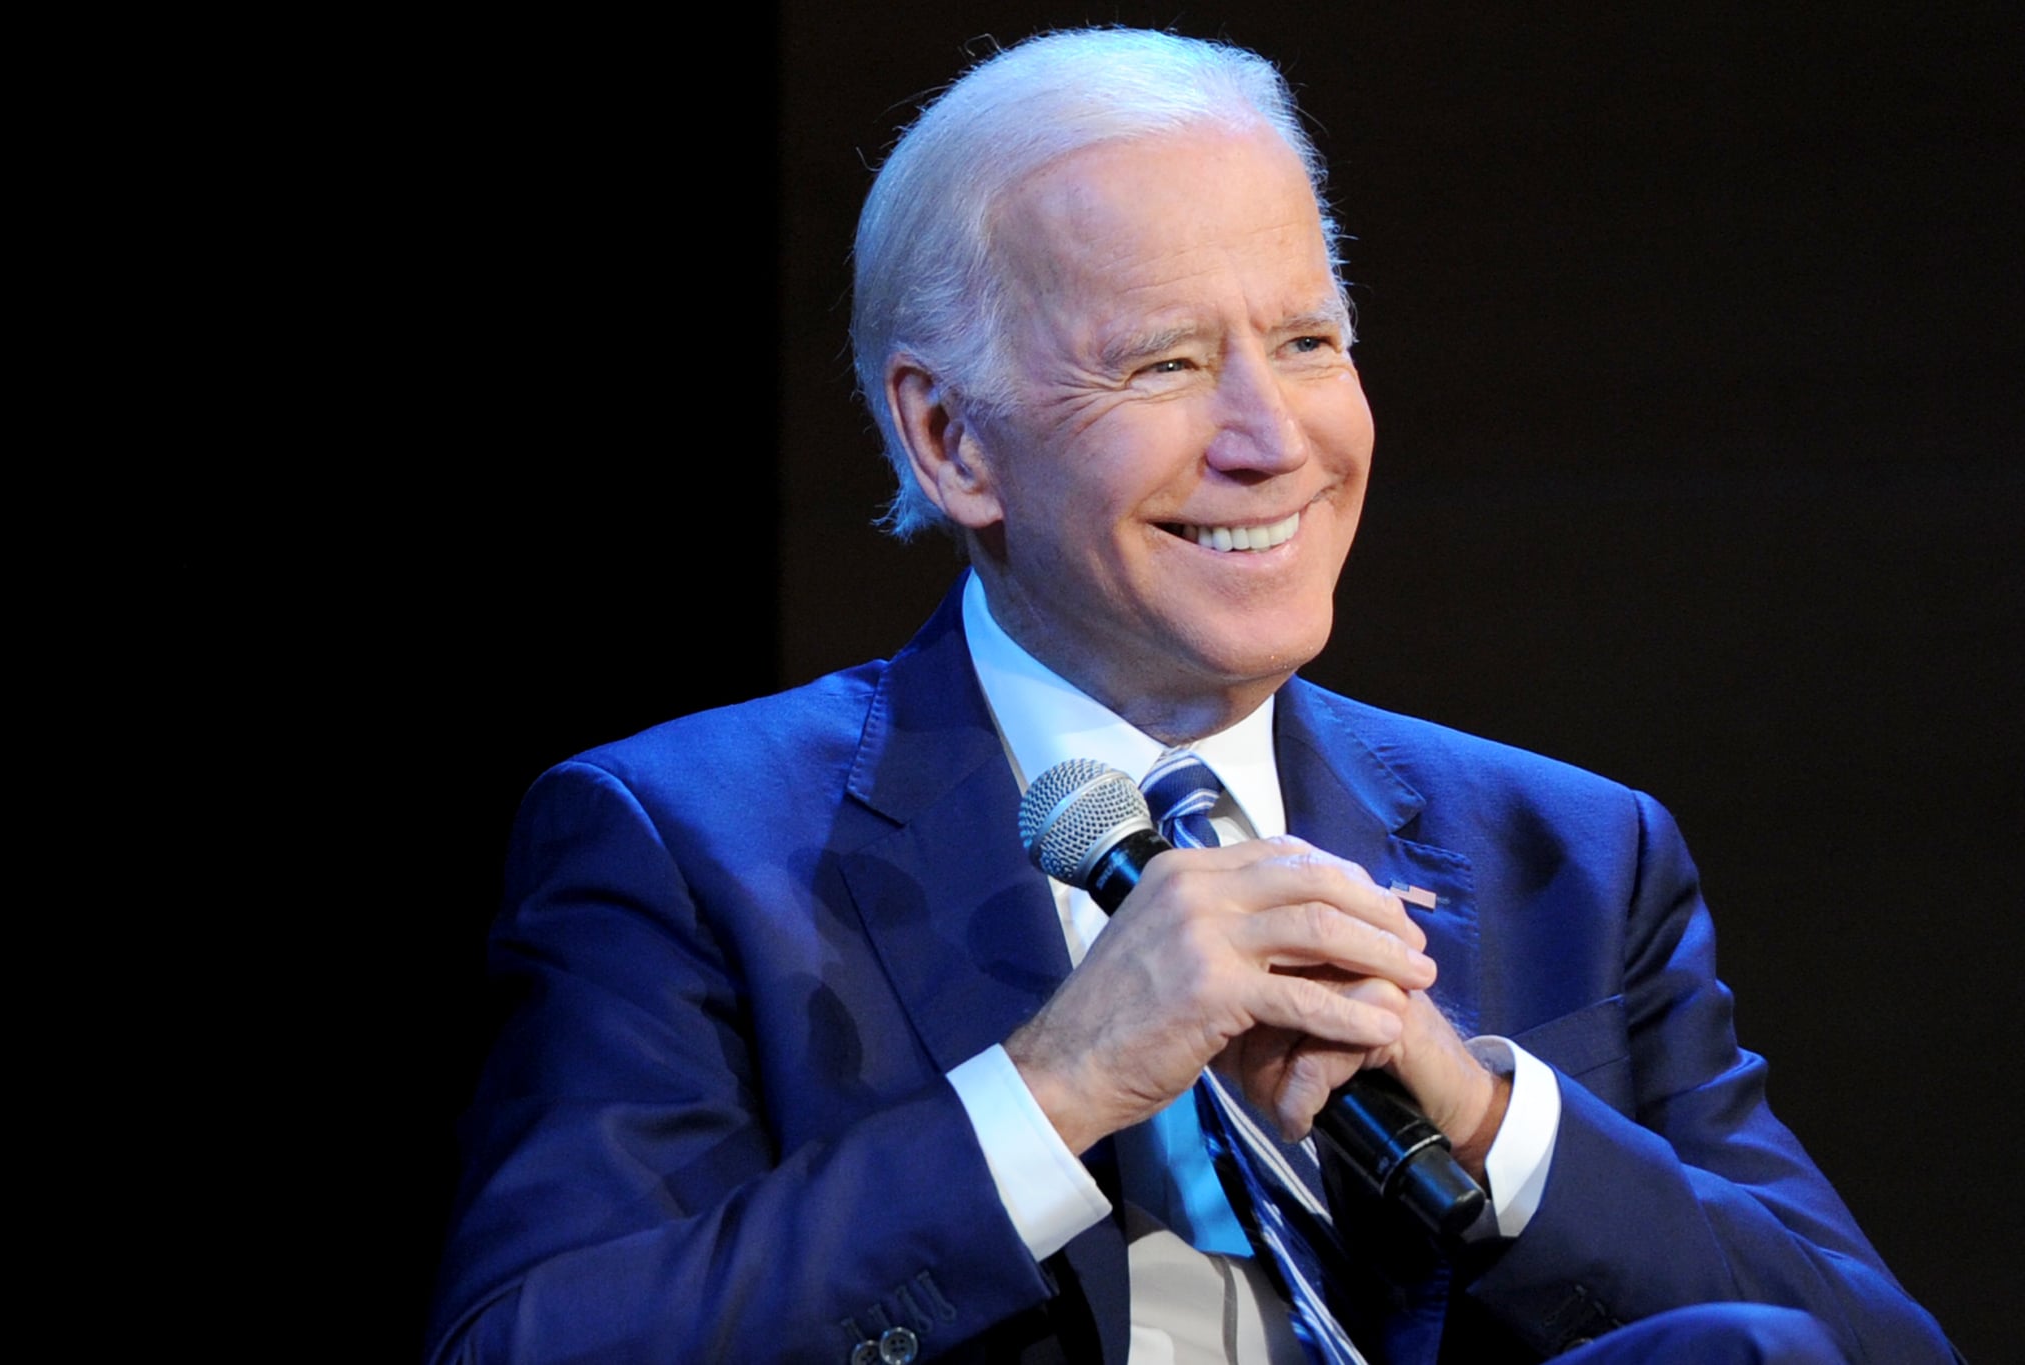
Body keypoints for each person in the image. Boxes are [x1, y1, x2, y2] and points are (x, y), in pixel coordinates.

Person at [429, 29, 1956, 1365]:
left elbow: (1852, 1345)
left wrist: (1493, 1120)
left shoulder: (1570, 855)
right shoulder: (688, 846)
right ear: (951, 439)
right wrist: (1056, 1084)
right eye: (1165, 363)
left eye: (1305, 342)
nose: (1270, 436)